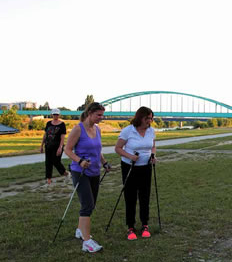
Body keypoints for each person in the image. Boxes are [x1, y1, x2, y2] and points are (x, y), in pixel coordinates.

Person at [64, 102, 111, 253]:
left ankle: (80, 230)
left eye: (102, 115)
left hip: (95, 171)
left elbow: (98, 150)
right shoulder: (78, 129)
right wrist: (80, 161)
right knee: (87, 205)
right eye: (99, 115)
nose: (101, 118)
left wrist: (104, 163)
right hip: (80, 172)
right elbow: (68, 149)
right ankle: (87, 241)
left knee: (91, 204)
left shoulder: (97, 129)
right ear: (90, 113)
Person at [115, 106, 157, 241]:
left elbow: (153, 146)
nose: (149, 121)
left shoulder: (151, 131)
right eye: (147, 118)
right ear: (140, 118)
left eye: (151, 118)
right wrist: (130, 156)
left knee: (144, 196)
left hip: (146, 167)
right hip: (130, 167)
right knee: (130, 197)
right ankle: (130, 227)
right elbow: (118, 148)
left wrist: (153, 156)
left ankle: (145, 225)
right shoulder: (128, 131)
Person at [40, 108, 69, 185]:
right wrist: (41, 145)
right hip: (48, 145)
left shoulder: (62, 125)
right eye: (54, 114)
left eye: (57, 114)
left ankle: (65, 173)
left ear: (59, 115)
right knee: (48, 162)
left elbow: (62, 137)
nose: (55, 116)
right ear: (52, 115)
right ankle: (48, 180)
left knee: (56, 162)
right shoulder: (48, 123)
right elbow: (45, 135)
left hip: (57, 146)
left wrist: (60, 147)